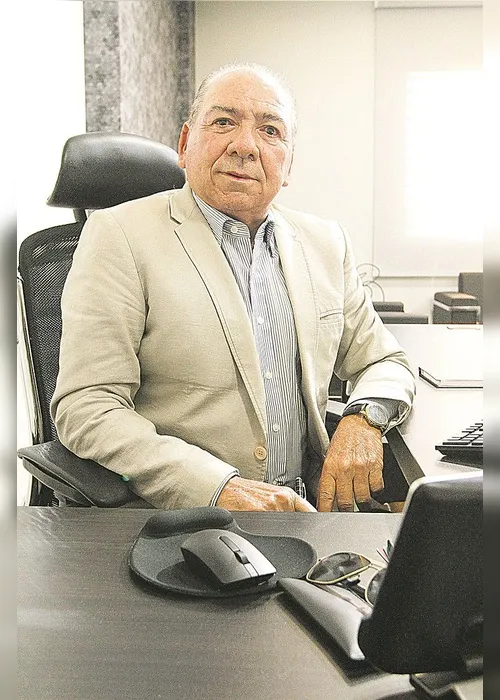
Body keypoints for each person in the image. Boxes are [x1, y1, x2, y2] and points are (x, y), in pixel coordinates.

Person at [51, 63, 415, 513]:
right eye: (224, 122)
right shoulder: (119, 235)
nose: (244, 145)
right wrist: (217, 487)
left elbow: (385, 360)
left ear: (288, 163)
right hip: (190, 520)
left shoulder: (324, 242)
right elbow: (88, 406)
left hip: (310, 511)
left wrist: (364, 419)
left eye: (270, 130)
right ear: (185, 144)